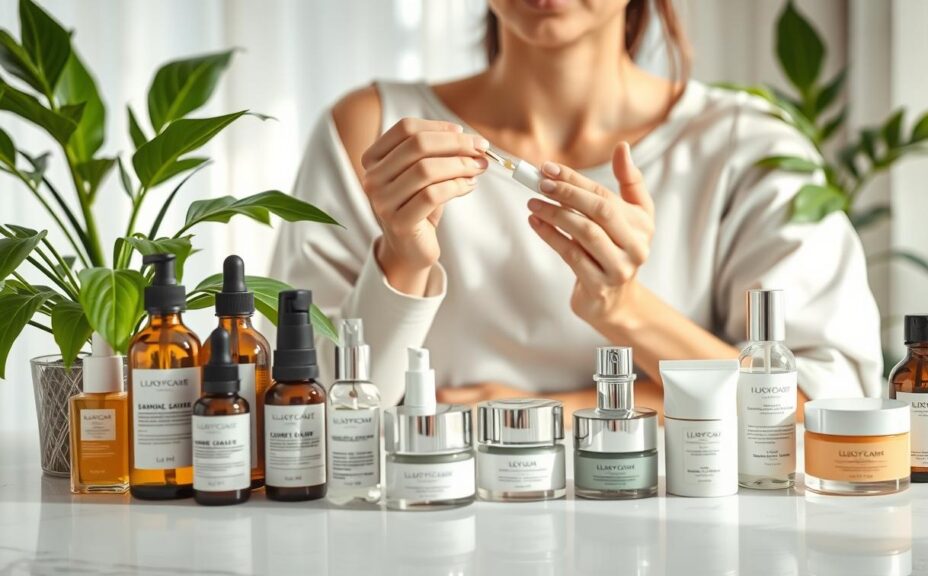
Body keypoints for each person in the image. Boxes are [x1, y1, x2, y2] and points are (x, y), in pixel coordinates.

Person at [269, 0, 882, 414]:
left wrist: (618, 315)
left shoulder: (750, 148)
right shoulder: (373, 134)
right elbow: (305, 408)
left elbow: (829, 411)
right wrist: (401, 259)